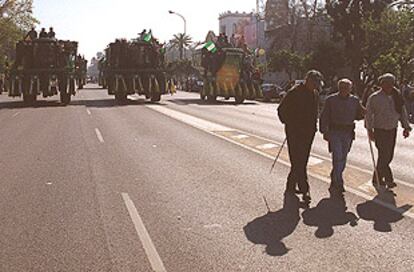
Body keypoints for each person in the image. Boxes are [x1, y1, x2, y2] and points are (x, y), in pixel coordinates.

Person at [278, 70, 323, 204]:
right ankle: (305, 190)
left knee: (301, 160)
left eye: (317, 83)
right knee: (298, 161)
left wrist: (314, 128)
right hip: (295, 132)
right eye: (314, 83)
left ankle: (291, 186)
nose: (315, 86)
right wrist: (290, 124)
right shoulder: (294, 92)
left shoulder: (315, 94)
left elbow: (316, 112)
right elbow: (281, 110)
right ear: (307, 80)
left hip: (308, 133)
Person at [365, 73, 412, 188]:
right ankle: (388, 178)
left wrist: (406, 127)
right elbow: (368, 114)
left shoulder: (397, 96)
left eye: (391, 83)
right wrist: (369, 129)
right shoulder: (375, 97)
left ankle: (377, 178)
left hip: (392, 129)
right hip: (380, 129)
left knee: (388, 155)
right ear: (382, 84)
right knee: (383, 154)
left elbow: (402, 112)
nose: (389, 86)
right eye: (387, 83)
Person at [320, 79, 365, 195]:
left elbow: (360, 114)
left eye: (347, 87)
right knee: (337, 156)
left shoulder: (354, 100)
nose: (344, 89)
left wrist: (365, 113)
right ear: (339, 88)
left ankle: (335, 174)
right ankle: (338, 181)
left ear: (350, 88)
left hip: (348, 132)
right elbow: (324, 115)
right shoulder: (331, 100)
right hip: (335, 131)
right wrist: (324, 131)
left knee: (343, 157)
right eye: (342, 87)